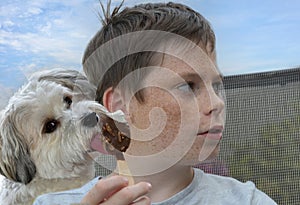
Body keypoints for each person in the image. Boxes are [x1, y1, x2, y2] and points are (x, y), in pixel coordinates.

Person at [33, 1, 277, 204]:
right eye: (187, 86)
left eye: (215, 85)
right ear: (119, 106)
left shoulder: (248, 201)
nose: (216, 103)